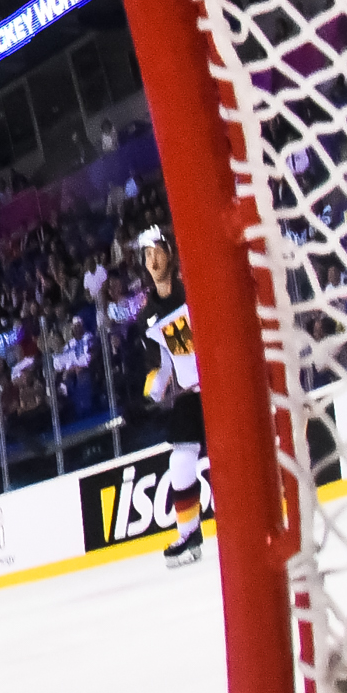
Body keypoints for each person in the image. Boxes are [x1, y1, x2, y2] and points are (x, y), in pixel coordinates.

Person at [137, 226, 205, 565]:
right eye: (147, 255)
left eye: (157, 250)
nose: (153, 259)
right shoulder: (149, 314)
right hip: (192, 393)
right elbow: (164, 361)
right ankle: (190, 534)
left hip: (220, 384)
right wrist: (151, 391)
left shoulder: (192, 286)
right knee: (179, 459)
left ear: (170, 253)